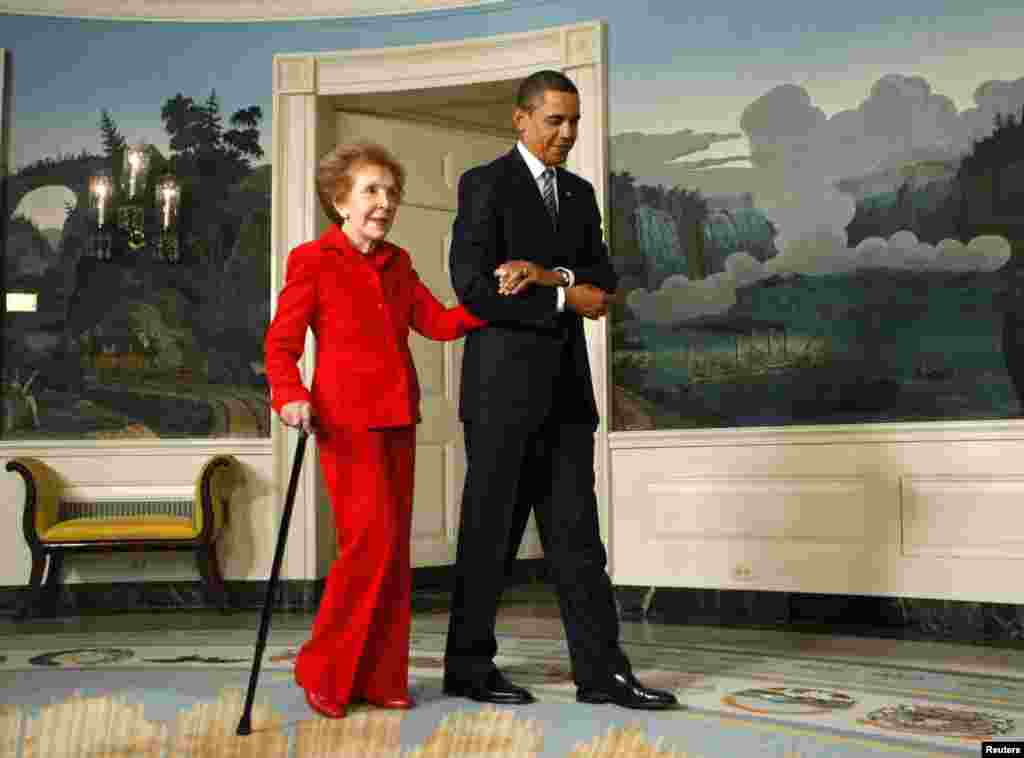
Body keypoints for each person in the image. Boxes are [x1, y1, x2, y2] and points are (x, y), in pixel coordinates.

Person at [443, 70, 679, 710]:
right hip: (500, 397)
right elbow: (475, 289)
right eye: (555, 121)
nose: (567, 134)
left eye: (574, 121)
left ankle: (602, 673)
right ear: (520, 119)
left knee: (580, 544)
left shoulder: (578, 193)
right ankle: (467, 667)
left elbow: (602, 283)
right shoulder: (483, 185)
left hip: (568, 399)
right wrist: (562, 296)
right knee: (488, 539)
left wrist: (548, 277)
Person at [264, 141, 487, 720]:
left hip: (398, 420)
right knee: (369, 548)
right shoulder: (312, 260)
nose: (384, 203)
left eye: (391, 193)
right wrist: (290, 396)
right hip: (344, 424)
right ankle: (324, 670)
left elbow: (436, 323)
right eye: (371, 191)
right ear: (341, 200)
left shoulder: (400, 263)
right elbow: (282, 345)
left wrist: (489, 301)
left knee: (392, 557)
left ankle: (382, 678)